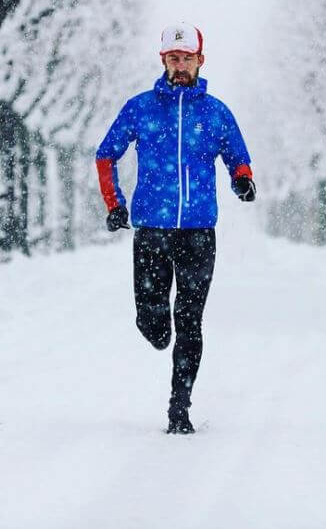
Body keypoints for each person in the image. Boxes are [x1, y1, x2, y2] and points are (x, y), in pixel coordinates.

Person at [95, 22, 256, 434]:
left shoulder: (216, 112)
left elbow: (237, 155)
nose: (180, 65)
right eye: (173, 59)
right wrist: (116, 204)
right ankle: (152, 323)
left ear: (200, 60)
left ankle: (179, 406)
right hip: (152, 228)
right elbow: (105, 155)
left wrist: (242, 178)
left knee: (190, 321)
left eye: (186, 58)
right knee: (153, 321)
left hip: (199, 231)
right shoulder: (141, 108)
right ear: (163, 61)